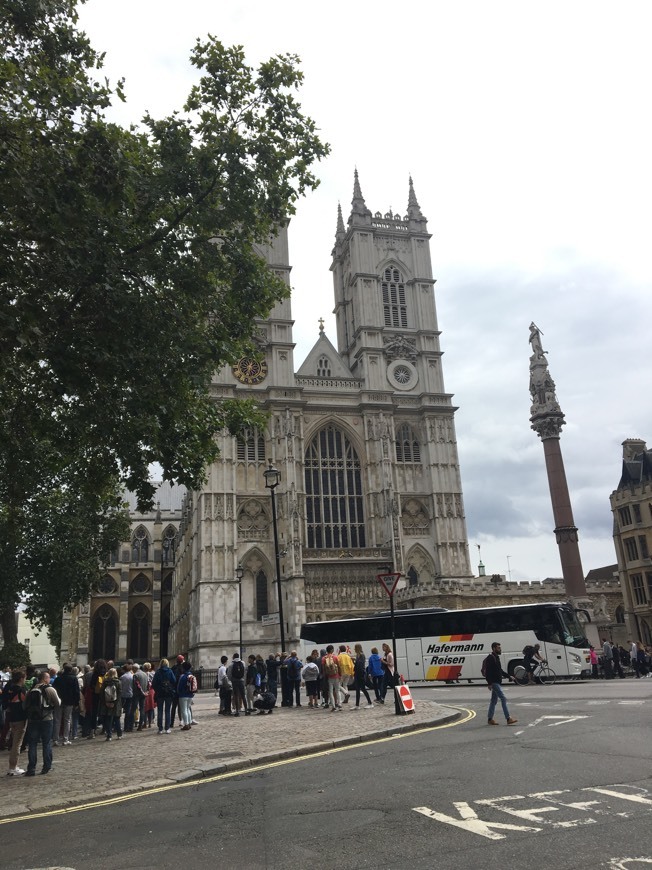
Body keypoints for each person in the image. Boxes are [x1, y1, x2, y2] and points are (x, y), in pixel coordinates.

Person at [24, 670, 60, 775]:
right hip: (47, 719)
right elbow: (58, 703)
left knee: (33, 744)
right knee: (46, 743)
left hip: (33, 720)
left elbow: (24, 705)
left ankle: (31, 769)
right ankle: (46, 767)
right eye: (48, 678)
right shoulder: (49, 689)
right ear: (45, 678)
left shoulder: (31, 690)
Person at [483, 642, 517, 726]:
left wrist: (509, 676)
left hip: (497, 681)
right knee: (503, 698)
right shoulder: (491, 658)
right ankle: (508, 718)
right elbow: (488, 672)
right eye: (498, 648)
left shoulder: (496, 657)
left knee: (493, 701)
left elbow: (500, 670)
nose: (500, 649)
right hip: (494, 682)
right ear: (494, 648)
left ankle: (490, 719)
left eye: (500, 648)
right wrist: (489, 683)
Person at [5, 670, 28, 776]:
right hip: (20, 717)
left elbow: (4, 703)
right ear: (21, 679)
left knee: (14, 740)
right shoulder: (21, 690)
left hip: (11, 717)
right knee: (17, 744)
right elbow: (26, 703)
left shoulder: (9, 688)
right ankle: (13, 767)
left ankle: (13, 766)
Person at [52, 662, 80, 745]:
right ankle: (65, 739)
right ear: (71, 670)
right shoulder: (73, 678)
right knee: (67, 720)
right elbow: (76, 691)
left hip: (59, 701)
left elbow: (54, 689)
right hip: (69, 701)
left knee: (57, 720)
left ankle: (55, 739)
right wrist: (76, 702)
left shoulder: (58, 678)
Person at [152, 657, 177, 733]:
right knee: (167, 711)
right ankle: (167, 728)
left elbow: (154, 683)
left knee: (160, 711)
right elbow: (174, 680)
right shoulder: (170, 671)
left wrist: (158, 689)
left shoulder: (158, 672)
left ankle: (160, 729)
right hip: (168, 693)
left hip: (160, 693)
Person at [100, 667, 123, 740]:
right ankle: (119, 734)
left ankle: (109, 735)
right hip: (116, 704)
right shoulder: (118, 682)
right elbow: (119, 694)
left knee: (108, 720)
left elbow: (102, 693)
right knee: (117, 719)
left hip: (107, 703)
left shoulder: (105, 681)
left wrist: (105, 702)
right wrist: (115, 703)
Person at [352, 644, 374, 709]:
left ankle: (370, 703)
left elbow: (360, 664)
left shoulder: (362, 655)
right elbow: (357, 665)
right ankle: (357, 705)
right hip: (357, 674)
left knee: (363, 689)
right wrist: (354, 661)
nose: (354, 649)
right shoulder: (358, 655)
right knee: (358, 689)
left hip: (361, 674)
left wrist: (355, 661)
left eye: (355, 648)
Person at [177, 661, 196, 730]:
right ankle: (189, 722)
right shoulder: (191, 676)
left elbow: (180, 686)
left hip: (183, 695)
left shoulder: (183, 676)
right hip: (190, 694)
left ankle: (186, 724)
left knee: (184, 710)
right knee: (188, 709)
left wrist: (178, 692)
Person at [321, 645, 341, 712]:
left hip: (329, 677)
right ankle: (339, 704)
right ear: (332, 650)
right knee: (337, 691)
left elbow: (323, 669)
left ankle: (333, 706)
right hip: (336, 676)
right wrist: (340, 675)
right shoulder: (335, 657)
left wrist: (325, 676)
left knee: (331, 692)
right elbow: (338, 666)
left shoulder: (324, 658)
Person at [120, 663, 135, 732]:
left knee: (126, 711)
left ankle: (126, 726)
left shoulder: (122, 677)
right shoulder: (133, 676)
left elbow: (121, 687)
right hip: (131, 695)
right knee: (130, 711)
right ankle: (130, 726)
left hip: (124, 695)